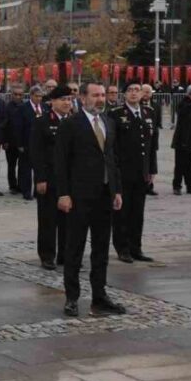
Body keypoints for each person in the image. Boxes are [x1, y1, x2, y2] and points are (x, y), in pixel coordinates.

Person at [55, 82, 125, 317]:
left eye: (103, 95)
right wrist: (63, 194)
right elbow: (61, 162)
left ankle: (100, 295)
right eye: (96, 95)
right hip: (78, 196)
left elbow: (112, 158)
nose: (100, 99)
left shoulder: (108, 122)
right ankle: (72, 297)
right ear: (83, 98)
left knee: (101, 248)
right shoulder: (71, 125)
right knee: (74, 248)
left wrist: (116, 190)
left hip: (104, 195)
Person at [108, 82, 154, 264]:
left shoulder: (149, 112)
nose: (134, 93)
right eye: (130, 90)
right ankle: (122, 248)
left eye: (137, 90)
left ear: (143, 93)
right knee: (122, 212)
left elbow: (151, 145)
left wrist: (151, 169)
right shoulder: (116, 114)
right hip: (123, 171)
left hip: (141, 171)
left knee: (138, 212)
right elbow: (112, 147)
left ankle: (136, 247)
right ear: (124, 94)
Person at [29, 85, 72, 269]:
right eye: (63, 99)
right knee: (48, 219)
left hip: (70, 179)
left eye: (69, 99)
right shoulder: (42, 121)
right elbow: (36, 151)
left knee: (68, 220)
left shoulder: (75, 121)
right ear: (52, 102)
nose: (67, 103)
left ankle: (65, 254)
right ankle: (47, 255)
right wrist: (40, 178)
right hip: (49, 177)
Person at [171, 84, 191, 195]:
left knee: (188, 164)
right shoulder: (187, 106)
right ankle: (177, 186)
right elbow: (185, 125)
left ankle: (190, 186)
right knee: (180, 164)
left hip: (188, 140)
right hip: (184, 140)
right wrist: (184, 141)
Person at [15, 85, 44, 200]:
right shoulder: (23, 108)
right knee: (26, 169)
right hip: (27, 143)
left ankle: (38, 191)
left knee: (39, 169)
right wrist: (20, 144)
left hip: (41, 144)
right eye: (37, 96)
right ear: (31, 96)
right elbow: (18, 127)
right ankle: (26, 192)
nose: (39, 99)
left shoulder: (45, 107)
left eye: (41, 96)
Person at [2, 86, 25, 194]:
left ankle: (21, 185)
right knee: (11, 165)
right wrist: (4, 141)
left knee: (23, 166)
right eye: (15, 94)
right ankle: (12, 186)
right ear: (11, 95)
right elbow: (4, 126)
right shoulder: (7, 107)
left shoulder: (25, 106)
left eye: (20, 94)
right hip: (10, 142)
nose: (17, 96)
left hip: (22, 142)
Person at [141, 84, 161, 196]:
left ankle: (150, 186)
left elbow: (158, 122)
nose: (146, 94)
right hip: (141, 140)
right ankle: (142, 185)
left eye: (148, 92)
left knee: (152, 163)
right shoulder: (137, 105)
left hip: (153, 139)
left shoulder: (156, 106)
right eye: (144, 92)